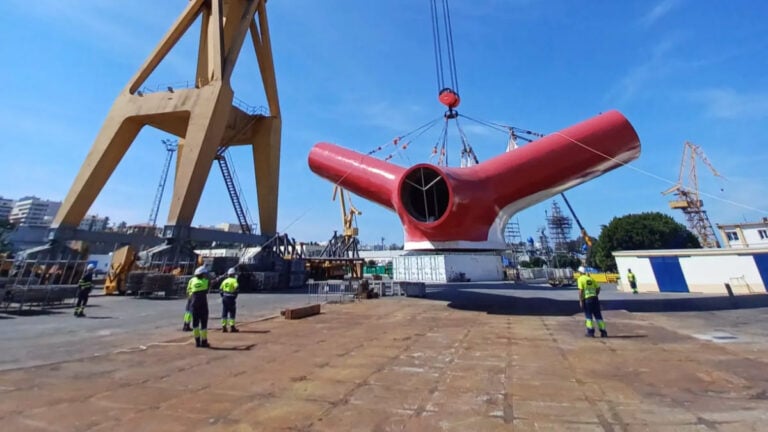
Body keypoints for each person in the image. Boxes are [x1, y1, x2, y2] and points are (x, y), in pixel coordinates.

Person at [577, 266, 607, 338]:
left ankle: (590, 332)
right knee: (598, 316)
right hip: (595, 299)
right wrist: (595, 294)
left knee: (589, 316)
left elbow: (580, 291)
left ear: (580, 273)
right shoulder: (591, 278)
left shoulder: (580, 279)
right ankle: (603, 332)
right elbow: (598, 288)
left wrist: (581, 301)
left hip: (587, 300)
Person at [187, 266, 211, 348]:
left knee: (195, 324)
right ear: (202, 274)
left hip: (193, 303)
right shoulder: (205, 282)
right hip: (202, 305)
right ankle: (204, 341)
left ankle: (197, 341)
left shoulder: (192, 280)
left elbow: (188, 290)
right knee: (203, 324)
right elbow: (210, 283)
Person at [220, 267, 240, 333]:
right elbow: (236, 287)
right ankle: (232, 327)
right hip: (231, 298)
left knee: (224, 312)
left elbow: (220, 289)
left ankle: (224, 327)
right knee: (232, 312)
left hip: (225, 297)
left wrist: (223, 296)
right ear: (233, 274)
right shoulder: (234, 280)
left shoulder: (225, 281)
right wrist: (235, 295)